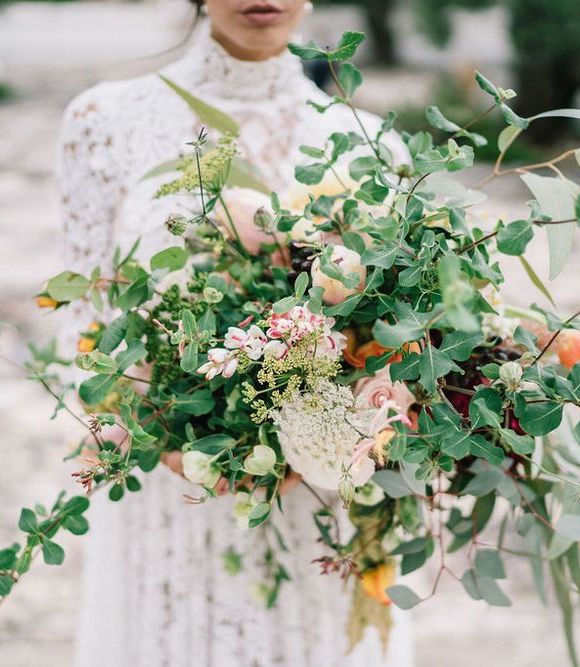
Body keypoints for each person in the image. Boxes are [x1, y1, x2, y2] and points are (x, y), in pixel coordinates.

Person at [58, 1, 413, 665]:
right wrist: (163, 434)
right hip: (171, 490)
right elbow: (88, 327)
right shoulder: (103, 121)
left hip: (319, 499)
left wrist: (347, 432)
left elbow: (401, 332)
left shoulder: (372, 144)